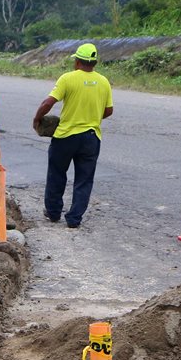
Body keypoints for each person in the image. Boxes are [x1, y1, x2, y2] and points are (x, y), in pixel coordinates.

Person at [32, 43, 114, 228]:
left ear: (77, 62)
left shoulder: (68, 79)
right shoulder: (103, 81)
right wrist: (91, 115)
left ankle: (53, 213)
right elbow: (108, 111)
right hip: (91, 137)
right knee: (84, 179)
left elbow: (48, 102)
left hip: (66, 137)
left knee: (57, 173)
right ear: (94, 62)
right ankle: (74, 219)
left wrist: (37, 119)